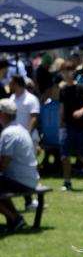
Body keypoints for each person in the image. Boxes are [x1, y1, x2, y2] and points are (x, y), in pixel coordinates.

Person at [0, 97, 40, 230]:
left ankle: (14, 218)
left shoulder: (8, 133)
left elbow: (4, 162)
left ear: (3, 114)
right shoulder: (21, 129)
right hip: (31, 178)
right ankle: (15, 218)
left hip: (21, 180)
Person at [58, 60, 83, 191]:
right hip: (66, 126)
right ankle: (67, 182)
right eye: (63, 72)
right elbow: (62, 108)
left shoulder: (80, 88)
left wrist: (81, 111)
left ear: (73, 72)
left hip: (80, 127)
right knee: (65, 156)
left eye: (67, 71)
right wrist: (60, 125)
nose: (65, 74)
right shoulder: (63, 89)